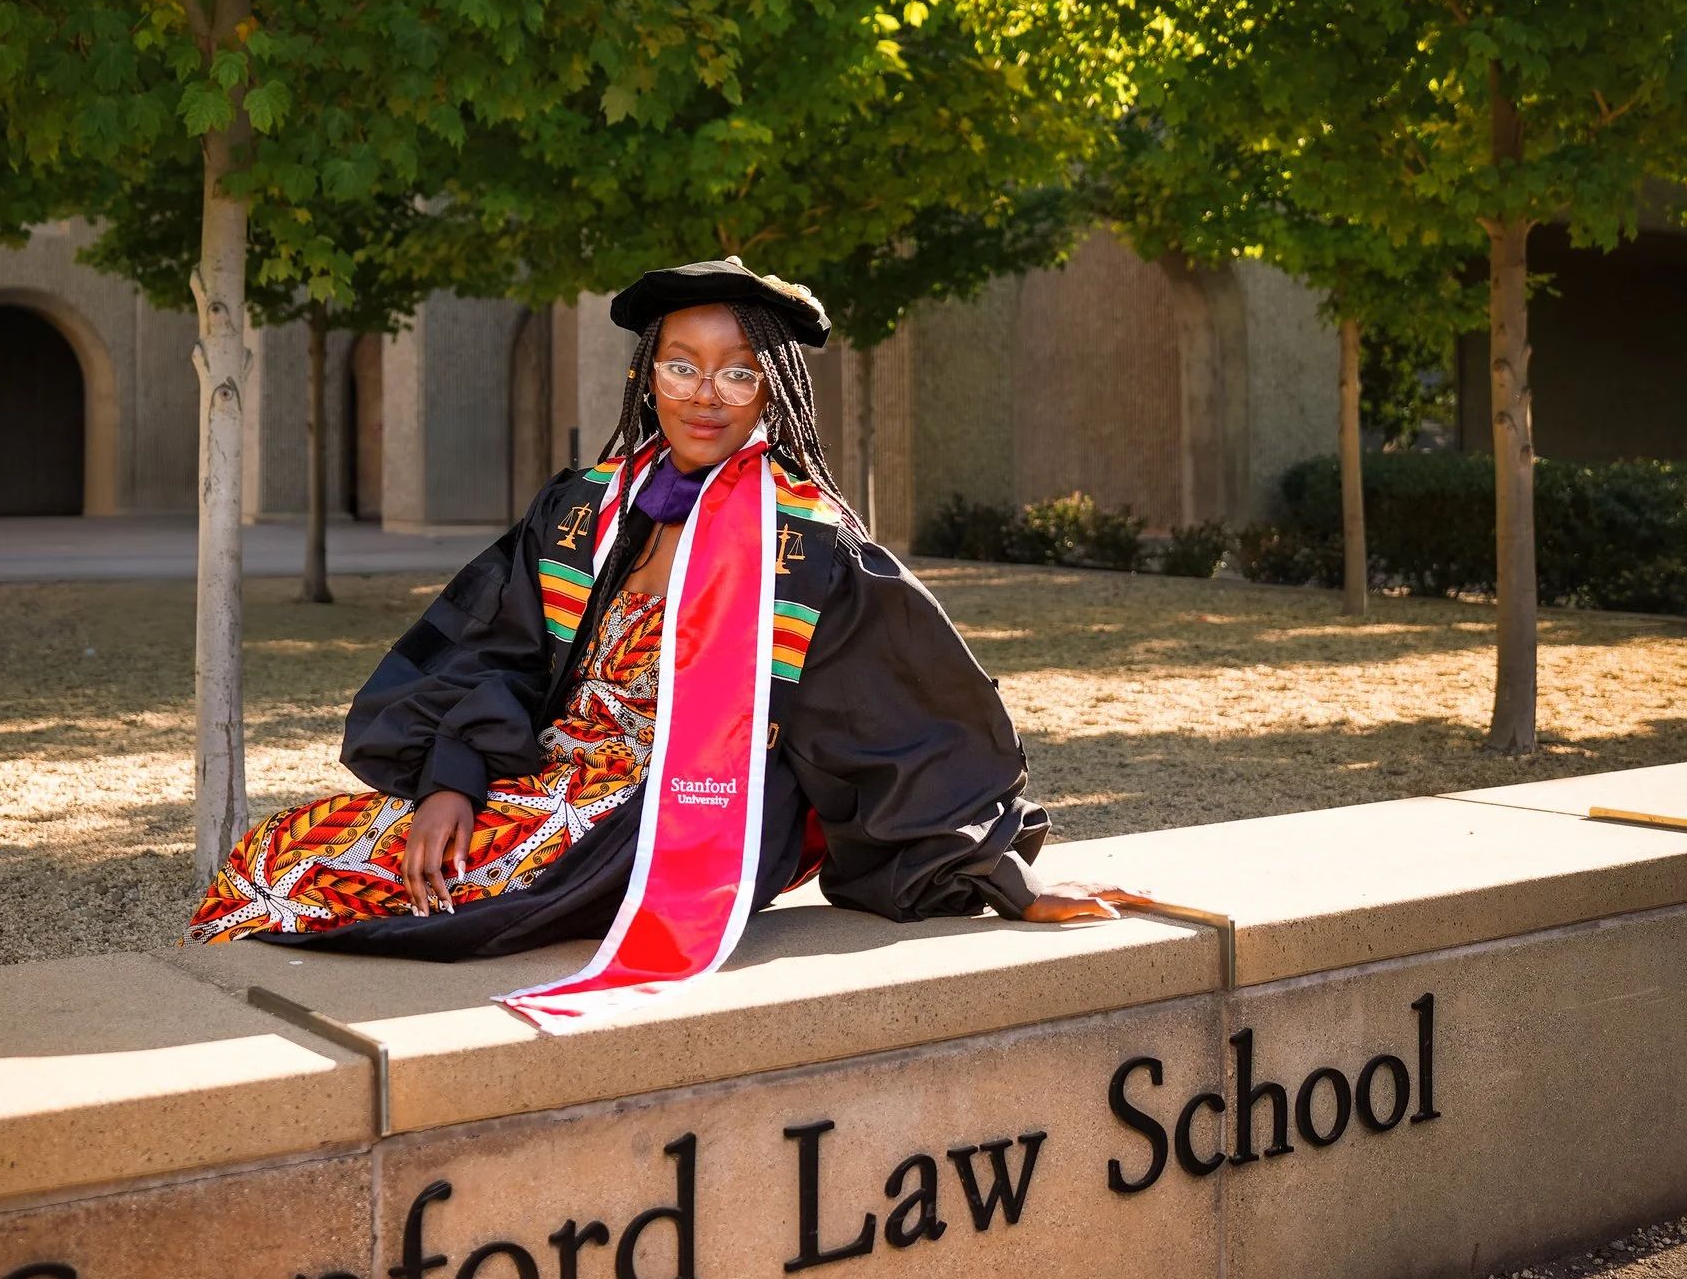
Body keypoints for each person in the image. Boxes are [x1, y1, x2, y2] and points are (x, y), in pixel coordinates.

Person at [189, 259, 1146, 1006]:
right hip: (546, 772)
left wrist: (1002, 881)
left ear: (774, 391)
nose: (707, 394)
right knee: (283, 854)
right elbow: (498, 649)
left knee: (492, 891)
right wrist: (451, 778)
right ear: (648, 376)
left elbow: (907, 725)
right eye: (682, 366)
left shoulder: (808, 548)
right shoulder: (585, 510)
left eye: (739, 372)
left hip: (689, 805)